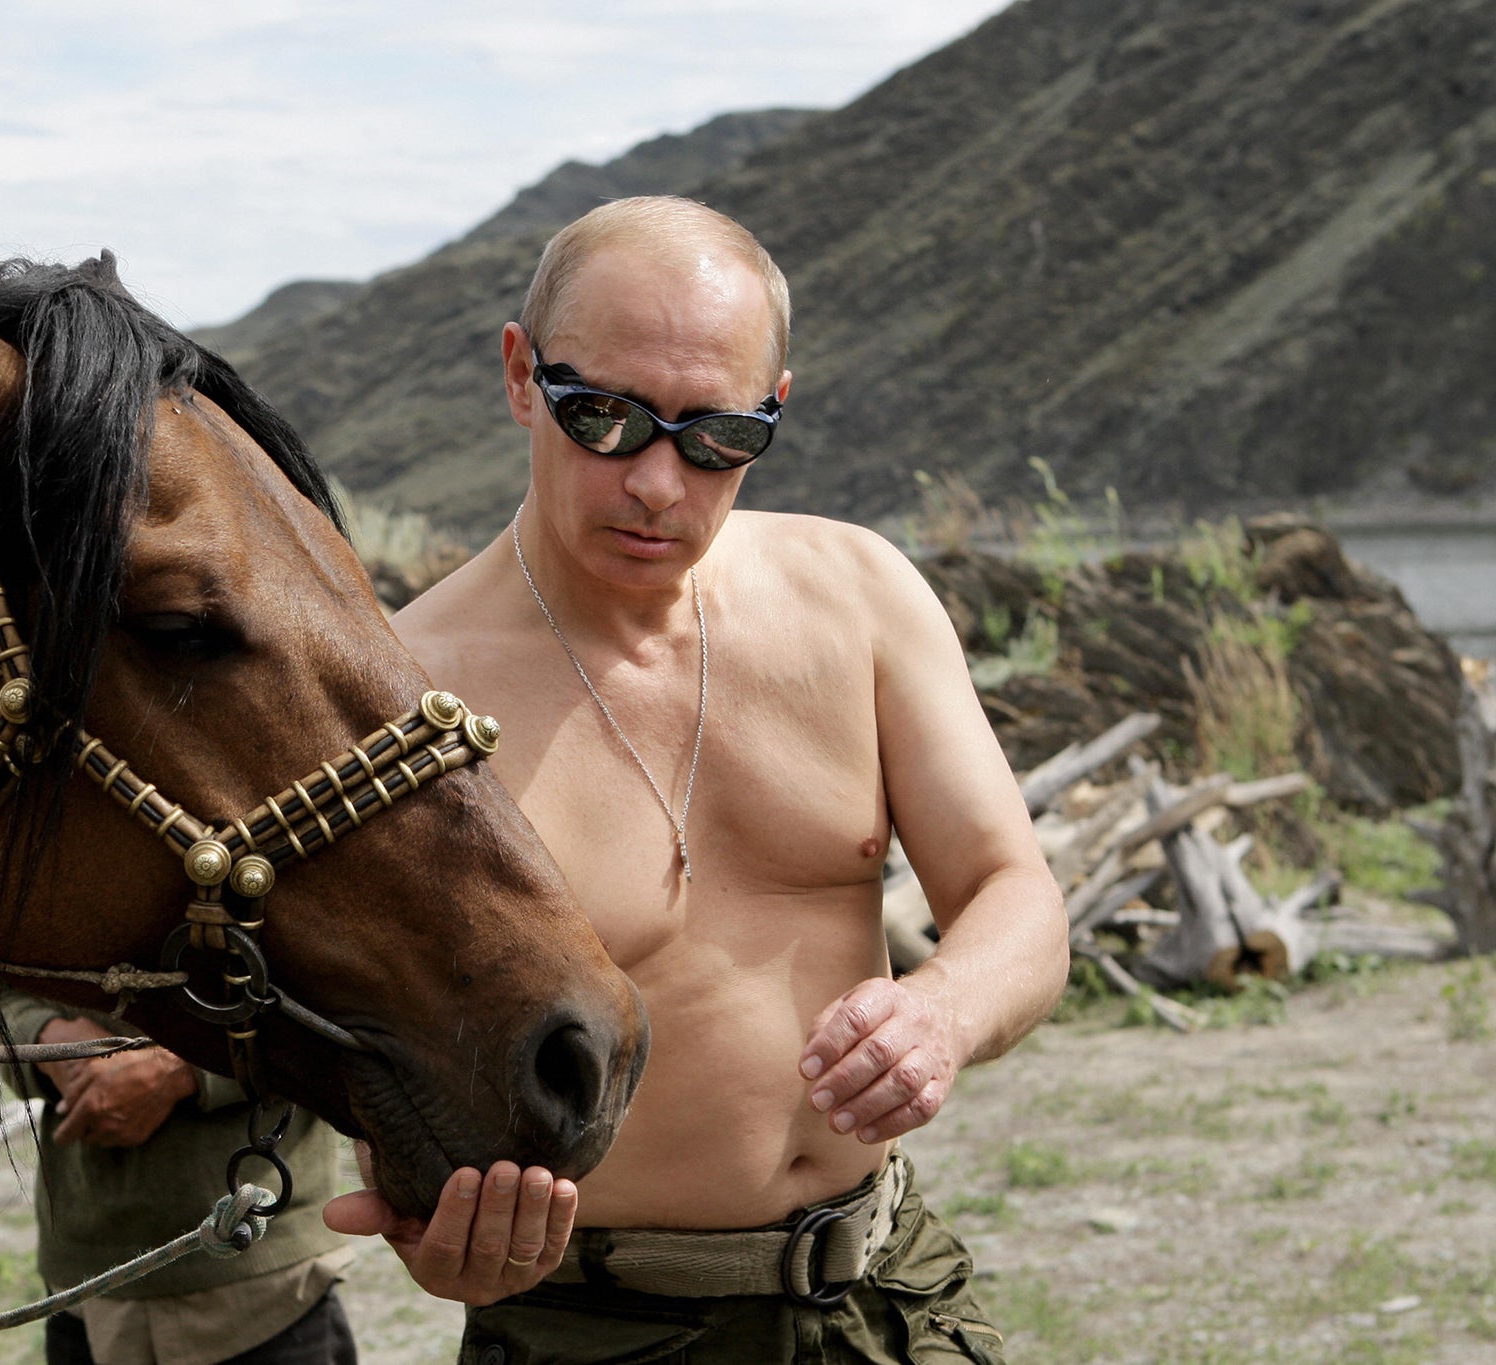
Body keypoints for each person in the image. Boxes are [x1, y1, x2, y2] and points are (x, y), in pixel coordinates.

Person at [323, 196, 1069, 1363]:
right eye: (605, 418)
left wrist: (942, 1013)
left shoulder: (857, 595)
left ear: (773, 409)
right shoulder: (405, 700)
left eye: (716, 437)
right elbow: (394, 1076)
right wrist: (434, 1232)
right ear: (521, 377)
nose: (659, 484)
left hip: (884, 1292)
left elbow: (1010, 889)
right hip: (591, 1328)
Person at [0, 976, 357, 1365]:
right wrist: (50, 1040)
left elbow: (335, 1002)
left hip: (266, 1282)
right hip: (86, 1284)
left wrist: (181, 1070)